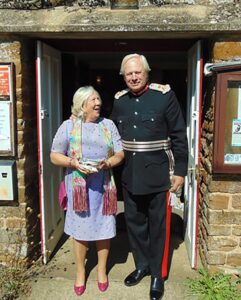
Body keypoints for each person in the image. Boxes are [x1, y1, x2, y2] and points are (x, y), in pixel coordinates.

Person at [110, 54, 188, 300]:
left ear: (147, 73)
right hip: (129, 174)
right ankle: (142, 265)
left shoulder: (164, 97)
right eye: (129, 74)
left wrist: (180, 172)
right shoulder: (120, 101)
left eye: (138, 73)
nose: (133, 77)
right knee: (134, 225)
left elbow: (178, 136)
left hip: (158, 174)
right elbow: (110, 132)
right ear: (124, 76)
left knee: (158, 227)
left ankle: (157, 273)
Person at [50, 86, 124, 296]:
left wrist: (108, 163)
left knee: (104, 228)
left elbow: (120, 153)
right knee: (81, 231)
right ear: (82, 104)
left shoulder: (108, 125)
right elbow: (54, 155)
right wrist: (73, 162)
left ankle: (101, 270)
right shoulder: (68, 126)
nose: (97, 102)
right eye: (92, 99)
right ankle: (81, 272)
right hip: (79, 188)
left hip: (103, 186)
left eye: (98, 98)